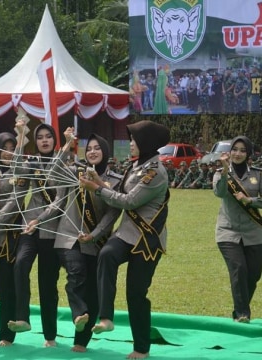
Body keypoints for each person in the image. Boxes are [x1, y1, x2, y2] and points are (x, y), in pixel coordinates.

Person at [80, 119, 170, 359]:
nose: (130, 144)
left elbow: (129, 200)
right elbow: (118, 191)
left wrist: (97, 189)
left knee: (136, 293)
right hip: (127, 233)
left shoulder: (155, 172)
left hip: (147, 240)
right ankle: (106, 317)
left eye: (134, 140)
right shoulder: (136, 166)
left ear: (146, 143)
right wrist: (98, 182)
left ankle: (141, 348)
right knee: (107, 254)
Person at [41, 133, 122, 353]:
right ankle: (78, 314)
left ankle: (81, 340)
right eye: (89, 149)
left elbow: (112, 215)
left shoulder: (115, 180)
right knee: (76, 274)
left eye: (98, 148)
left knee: (92, 291)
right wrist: (67, 144)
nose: (93, 152)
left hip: (97, 241)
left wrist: (95, 235)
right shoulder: (75, 172)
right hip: (68, 238)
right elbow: (52, 175)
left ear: (105, 151)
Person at [0, 122, 67, 347]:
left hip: (50, 231)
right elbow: (16, 168)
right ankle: (22, 318)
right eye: (40, 137)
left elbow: (60, 201)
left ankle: (50, 336)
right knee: (20, 265)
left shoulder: (62, 164)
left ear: (55, 140)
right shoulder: (31, 162)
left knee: (47, 285)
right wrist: (21, 134)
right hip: (29, 228)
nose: (44, 140)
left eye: (48, 137)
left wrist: (39, 220)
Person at [0, 127, 26, 346]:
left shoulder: (19, 172)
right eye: (5, 149)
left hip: (13, 235)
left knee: (6, 282)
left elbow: (16, 201)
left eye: (12, 149)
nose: (8, 153)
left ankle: (7, 335)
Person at [213, 136, 262, 323]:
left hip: (254, 232)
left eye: (242, 150)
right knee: (238, 268)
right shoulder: (221, 172)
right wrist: (225, 171)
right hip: (228, 231)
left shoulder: (258, 174)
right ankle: (242, 314)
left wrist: (251, 201)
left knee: (253, 274)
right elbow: (219, 192)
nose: (238, 153)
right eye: (235, 149)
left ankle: (239, 311)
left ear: (248, 154)